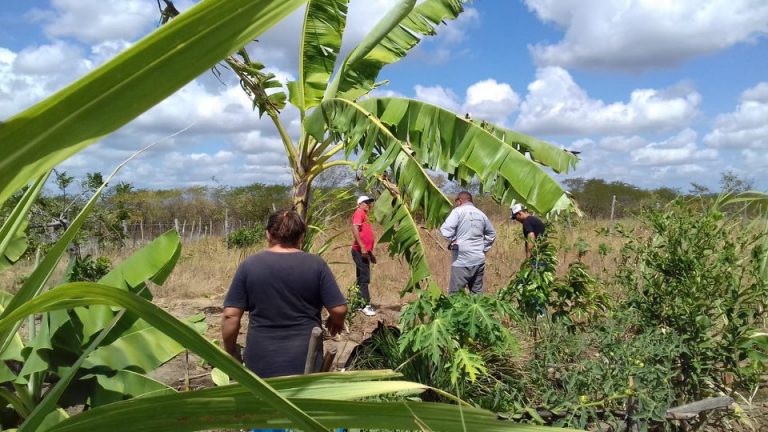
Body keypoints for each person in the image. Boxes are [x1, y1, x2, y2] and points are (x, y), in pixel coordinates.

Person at [221, 209, 348, 378]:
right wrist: (336, 321)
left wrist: (231, 352)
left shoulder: (249, 265)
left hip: (260, 360)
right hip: (305, 359)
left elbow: (230, 316)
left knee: (264, 403)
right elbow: (339, 309)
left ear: (268, 234)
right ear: (301, 236)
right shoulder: (316, 265)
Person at [440, 191, 496, 295]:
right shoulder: (481, 214)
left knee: (455, 296)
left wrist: (452, 241)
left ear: (460, 201)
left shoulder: (458, 211)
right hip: (478, 259)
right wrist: (483, 249)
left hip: (462, 260)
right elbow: (492, 233)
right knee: (477, 295)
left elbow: (445, 229)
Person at [351, 195, 377, 316]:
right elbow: (355, 229)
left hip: (364, 251)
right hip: (359, 251)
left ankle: (358, 303)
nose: (368, 204)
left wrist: (370, 254)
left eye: (369, 203)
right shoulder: (359, 212)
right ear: (360, 204)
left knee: (361, 277)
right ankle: (365, 304)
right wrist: (362, 247)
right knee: (364, 278)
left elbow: (365, 234)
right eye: (366, 202)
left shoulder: (364, 214)